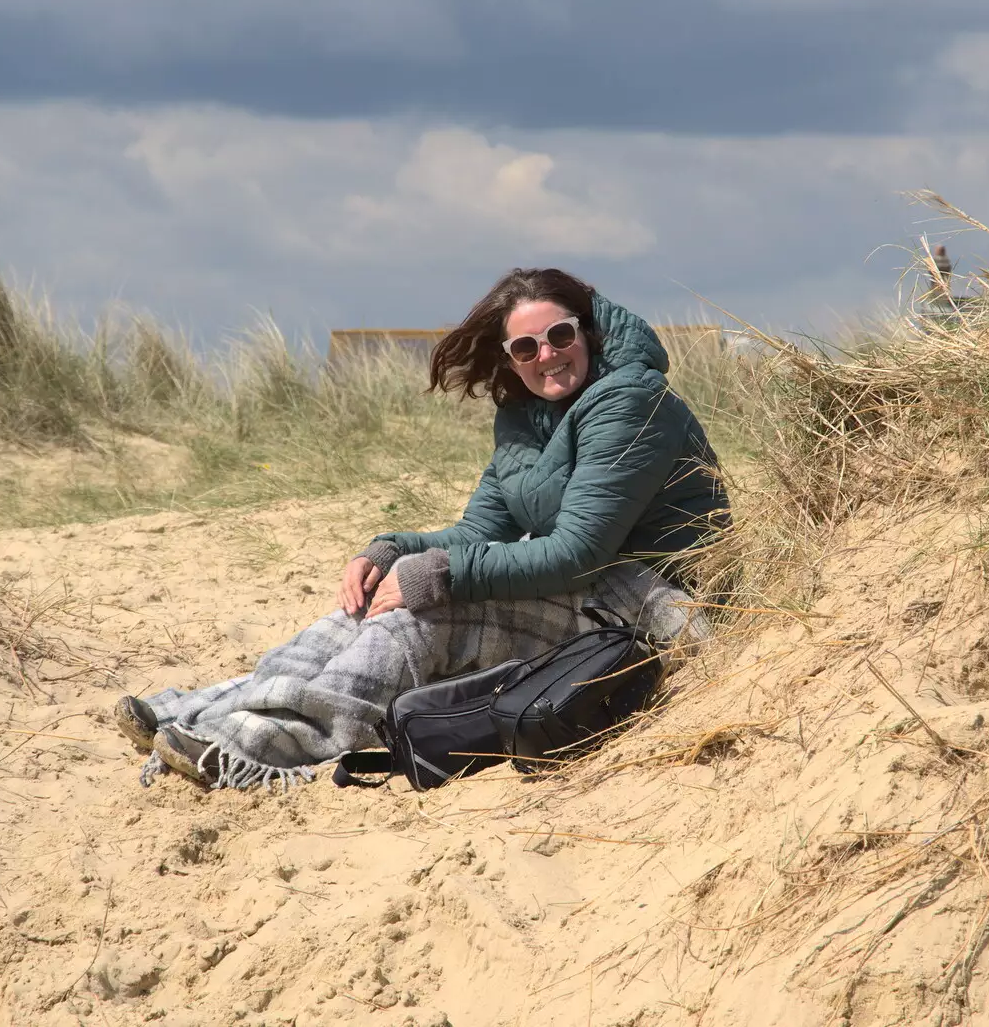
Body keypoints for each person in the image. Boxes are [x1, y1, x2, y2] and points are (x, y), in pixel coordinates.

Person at [112, 268, 732, 790]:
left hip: (653, 603)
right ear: (508, 359)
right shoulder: (524, 419)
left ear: (587, 332)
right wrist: (390, 551)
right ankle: (203, 715)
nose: (546, 355)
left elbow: (579, 551)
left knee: (418, 622)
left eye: (560, 335)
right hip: (590, 588)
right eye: (525, 348)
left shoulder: (632, 402)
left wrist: (439, 578)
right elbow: (479, 530)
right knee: (362, 612)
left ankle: (264, 751)